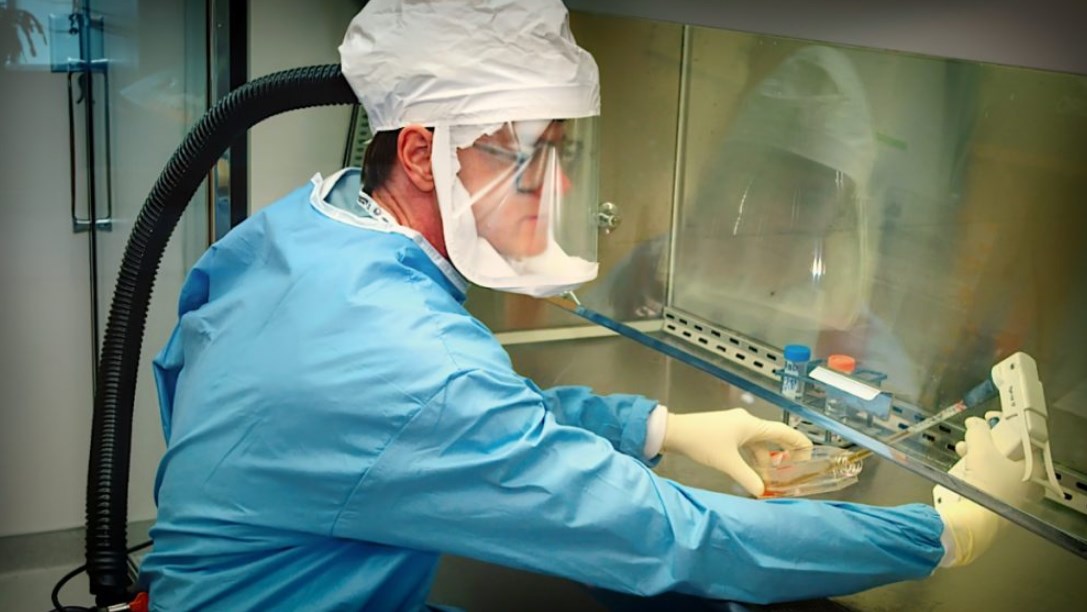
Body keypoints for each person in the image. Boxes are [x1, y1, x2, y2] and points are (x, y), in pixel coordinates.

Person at [137, 1, 1034, 610]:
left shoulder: (308, 227)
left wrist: (662, 427)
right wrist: (937, 533)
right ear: (419, 154)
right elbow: (671, 539)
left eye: (564, 153)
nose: (557, 188)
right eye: (527, 156)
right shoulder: (414, 362)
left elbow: (453, 420)